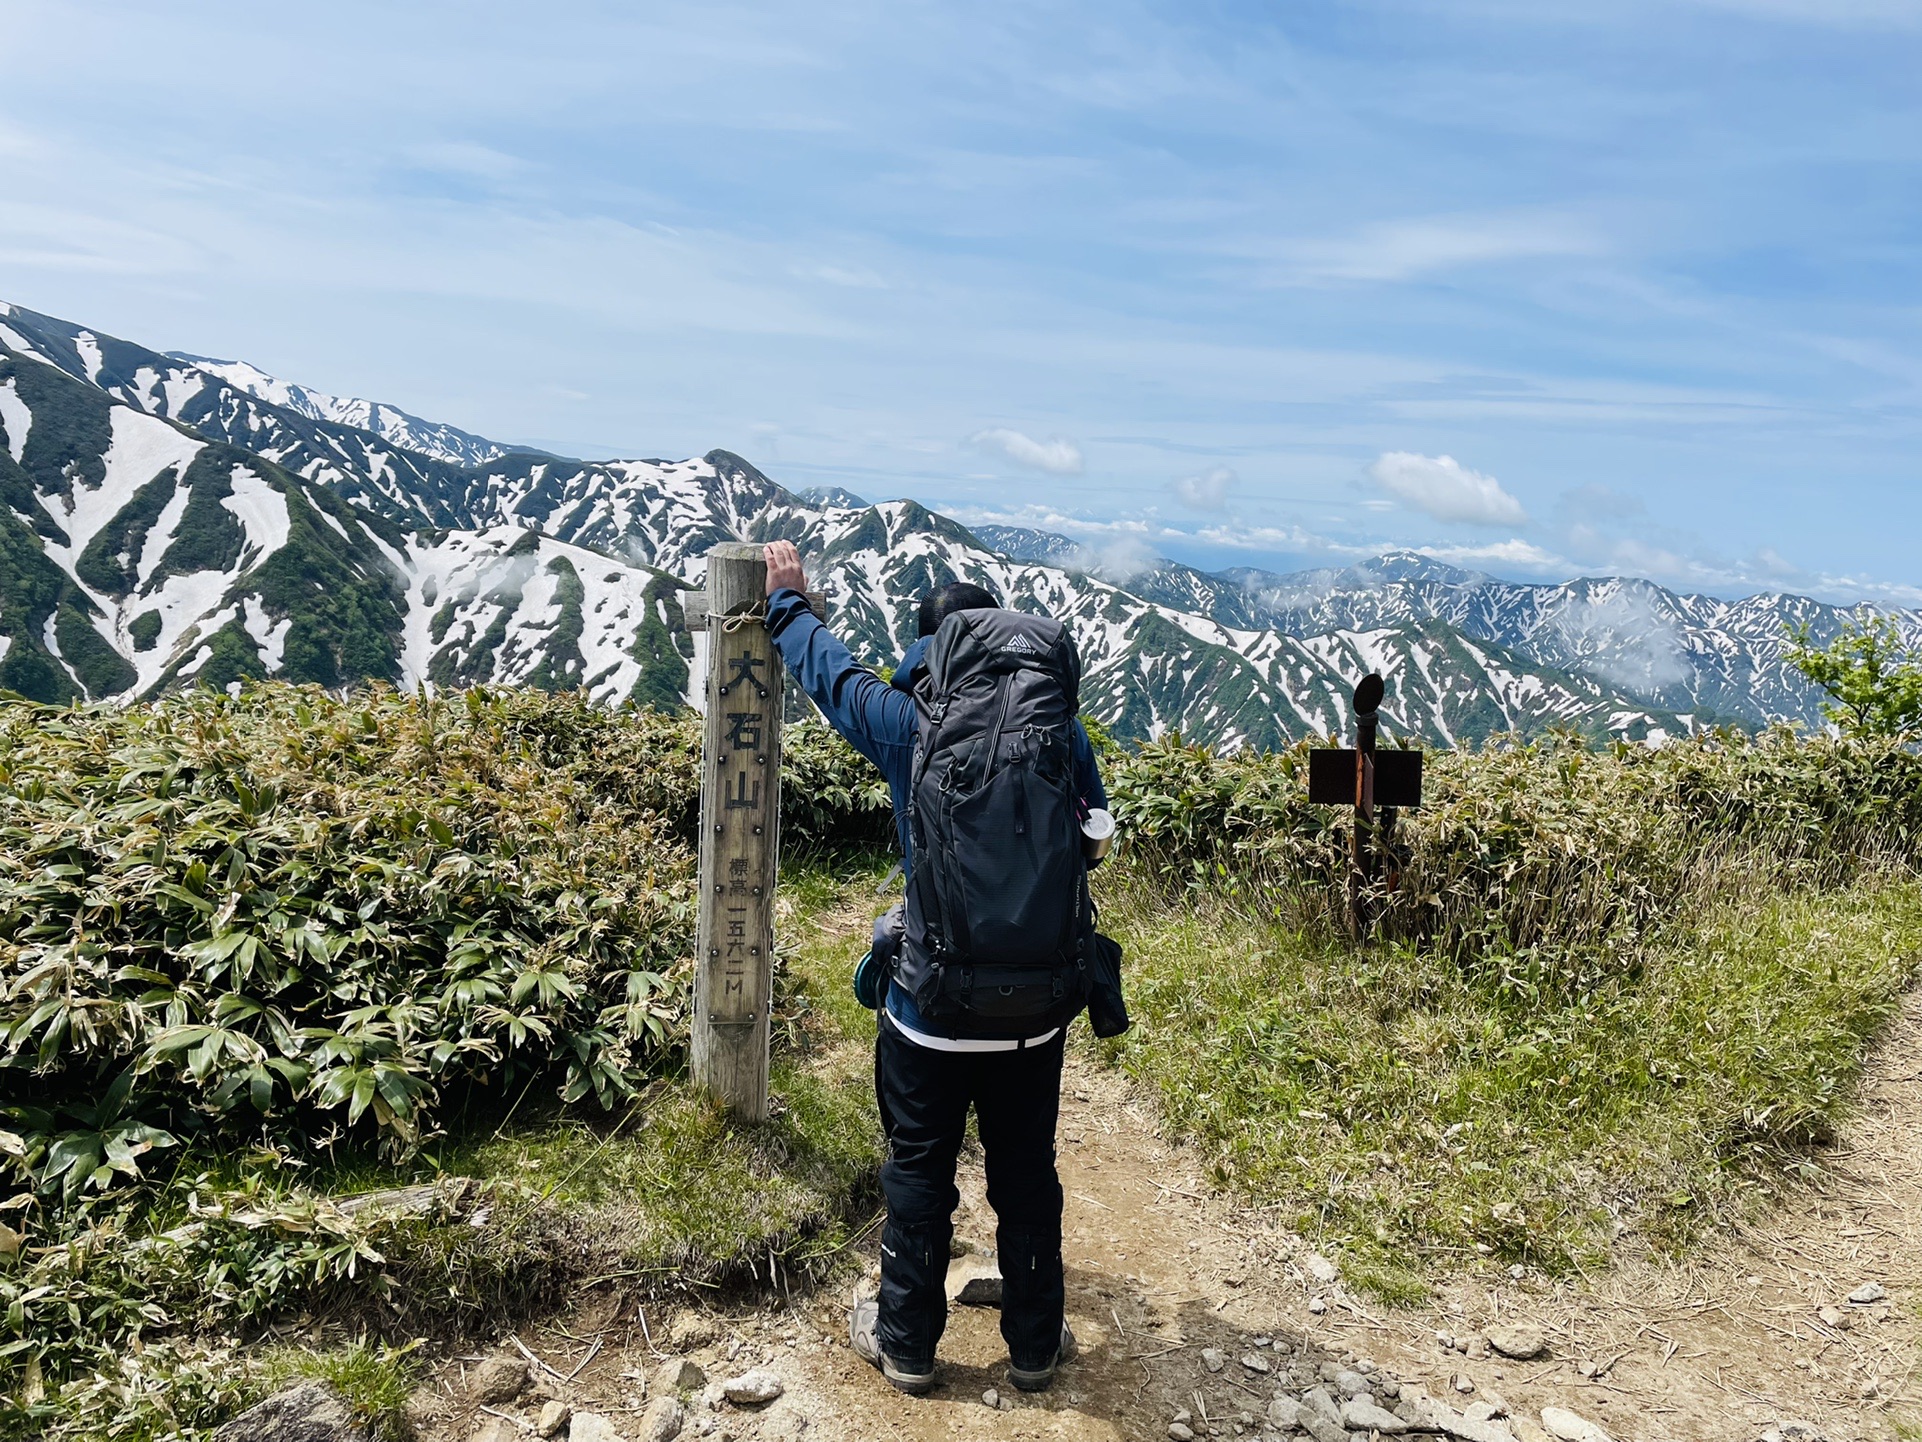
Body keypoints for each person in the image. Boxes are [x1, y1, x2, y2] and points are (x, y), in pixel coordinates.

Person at [759, 539, 1107, 1397]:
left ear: (928, 650)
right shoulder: (1060, 731)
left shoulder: (906, 719)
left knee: (919, 1167)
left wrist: (787, 605)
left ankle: (908, 1345)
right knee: (1027, 1169)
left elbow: (830, 676)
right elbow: (1095, 843)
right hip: (1036, 1015)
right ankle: (1033, 1345)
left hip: (929, 1012)